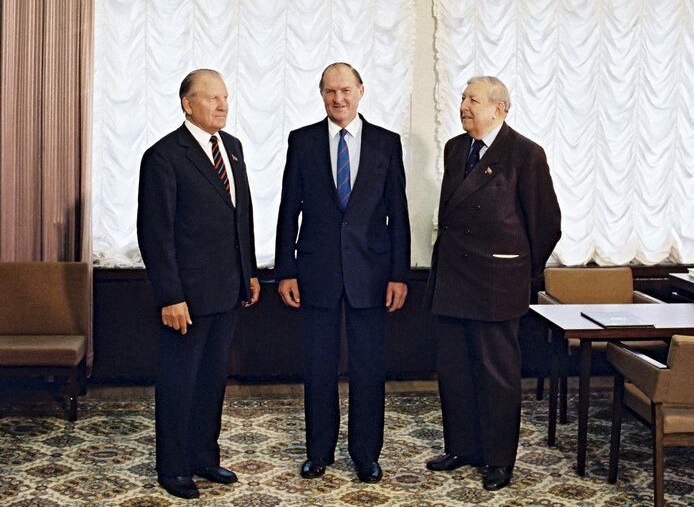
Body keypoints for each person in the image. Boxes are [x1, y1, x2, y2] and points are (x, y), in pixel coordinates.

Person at [275, 62, 411, 483]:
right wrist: (286, 270)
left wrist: (399, 274)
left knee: (369, 370)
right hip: (315, 275)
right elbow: (288, 211)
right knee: (318, 368)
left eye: (346, 90)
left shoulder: (387, 143)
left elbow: (399, 215)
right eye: (331, 91)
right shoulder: (302, 141)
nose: (339, 99)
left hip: (371, 276)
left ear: (361, 91)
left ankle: (366, 454)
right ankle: (319, 452)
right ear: (321, 95)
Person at [424, 76, 561, 491]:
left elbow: (546, 225)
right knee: (455, 371)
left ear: (500, 108)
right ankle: (462, 448)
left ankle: (499, 460)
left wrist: (518, 271)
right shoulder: (454, 148)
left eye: (473, 100)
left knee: (497, 377)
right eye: (463, 98)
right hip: (452, 280)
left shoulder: (525, 154)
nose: (463, 105)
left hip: (496, 284)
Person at [137, 69, 260, 499]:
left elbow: (239, 216)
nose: (222, 105)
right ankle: (173, 468)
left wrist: (249, 274)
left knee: (212, 380)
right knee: (178, 382)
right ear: (188, 104)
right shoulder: (164, 156)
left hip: (227, 290)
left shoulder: (234, 148)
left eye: (225, 97)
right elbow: (155, 234)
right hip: (186, 298)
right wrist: (170, 296)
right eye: (212, 98)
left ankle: (204, 458)